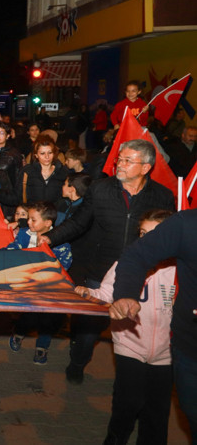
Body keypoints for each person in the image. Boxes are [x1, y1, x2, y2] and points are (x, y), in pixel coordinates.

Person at [39, 139, 175, 384]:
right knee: (89, 329)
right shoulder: (100, 189)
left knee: (139, 326)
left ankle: (135, 377)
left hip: (140, 275)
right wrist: (49, 238)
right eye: (119, 160)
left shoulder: (162, 196)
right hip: (99, 271)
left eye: (127, 161)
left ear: (145, 168)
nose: (119, 165)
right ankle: (77, 363)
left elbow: (168, 236)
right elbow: (79, 222)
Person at [77, 210, 176, 445]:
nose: (146, 240)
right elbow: (105, 293)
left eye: (155, 234)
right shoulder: (126, 264)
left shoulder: (181, 270)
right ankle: (115, 438)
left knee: (157, 411)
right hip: (129, 343)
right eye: (143, 233)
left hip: (168, 352)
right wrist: (87, 294)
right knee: (128, 401)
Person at [110, 208, 197, 439]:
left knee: (156, 414)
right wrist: (126, 294)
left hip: (164, 352)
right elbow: (135, 257)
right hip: (189, 351)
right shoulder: (188, 224)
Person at [8, 201, 71, 365]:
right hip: (27, 286)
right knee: (29, 315)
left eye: (33, 220)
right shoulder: (23, 234)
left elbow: (65, 263)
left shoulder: (60, 242)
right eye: (28, 218)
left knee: (49, 319)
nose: (28, 222)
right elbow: (13, 250)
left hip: (50, 288)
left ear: (48, 223)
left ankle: (42, 346)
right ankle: (19, 332)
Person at [8, 135, 68, 208]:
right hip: (33, 214)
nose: (47, 157)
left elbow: (67, 198)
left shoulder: (63, 171)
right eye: (42, 153)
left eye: (50, 153)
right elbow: (17, 196)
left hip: (55, 215)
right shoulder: (28, 171)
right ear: (36, 155)